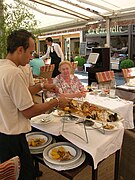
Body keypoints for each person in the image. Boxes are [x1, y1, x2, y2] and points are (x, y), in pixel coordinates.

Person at [0, 29, 69, 180]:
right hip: (12, 138)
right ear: (20, 50)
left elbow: (20, 93)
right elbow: (28, 111)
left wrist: (42, 86)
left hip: (4, 133)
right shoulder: (14, 73)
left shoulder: (2, 67)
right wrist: (56, 102)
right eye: (30, 52)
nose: (31, 57)